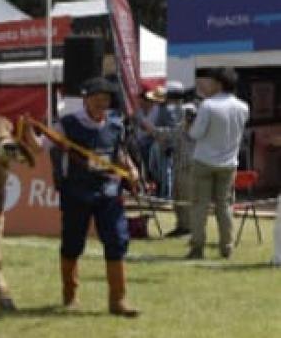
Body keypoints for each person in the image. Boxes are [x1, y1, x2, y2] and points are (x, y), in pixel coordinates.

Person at [23, 77, 140, 317]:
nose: (101, 104)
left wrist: (132, 169)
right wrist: (27, 130)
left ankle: (118, 301)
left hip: (109, 192)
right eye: (96, 99)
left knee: (117, 240)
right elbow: (38, 147)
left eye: (105, 100)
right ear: (86, 100)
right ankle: (70, 296)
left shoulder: (115, 126)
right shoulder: (67, 124)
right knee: (73, 243)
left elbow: (118, 154)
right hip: (76, 193)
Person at [185, 67, 250, 260]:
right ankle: (227, 246)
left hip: (204, 161)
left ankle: (197, 247)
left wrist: (189, 123)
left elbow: (196, 134)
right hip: (229, 163)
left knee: (200, 206)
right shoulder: (243, 107)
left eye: (211, 82)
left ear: (219, 84)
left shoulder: (208, 105)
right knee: (225, 206)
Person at [151, 100, 198, 238]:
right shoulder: (179, 128)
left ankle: (189, 228)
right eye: (187, 115)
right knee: (177, 198)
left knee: (187, 199)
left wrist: (151, 129)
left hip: (191, 169)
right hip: (178, 168)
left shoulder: (198, 130)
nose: (189, 118)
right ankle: (180, 226)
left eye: (191, 115)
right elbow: (166, 135)